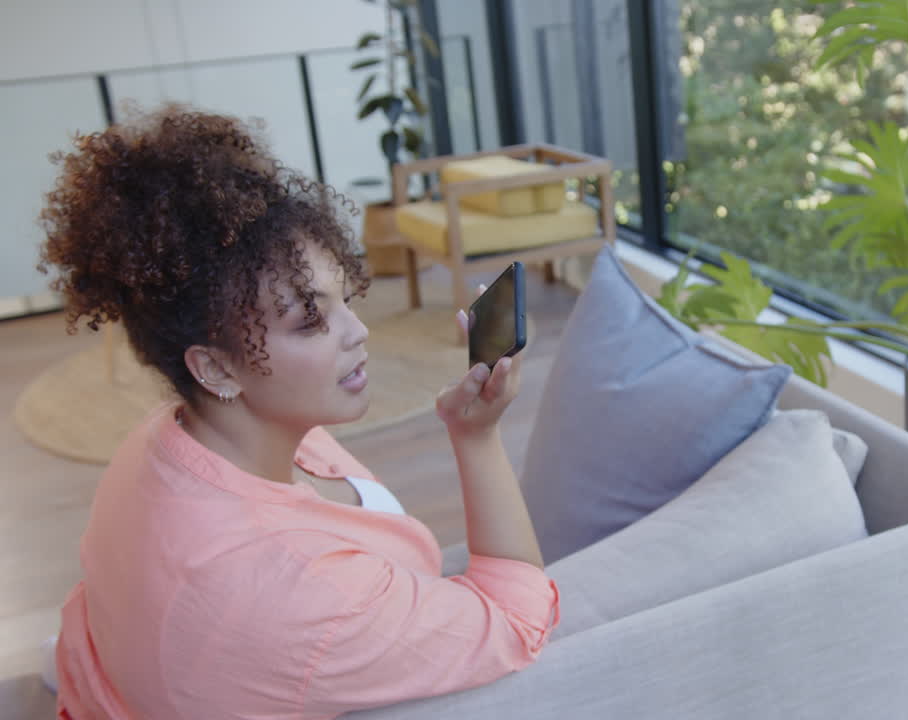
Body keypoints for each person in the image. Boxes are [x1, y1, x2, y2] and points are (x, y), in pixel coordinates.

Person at [36, 105, 559, 719]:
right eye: (310, 320)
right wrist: (478, 440)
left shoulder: (169, 440)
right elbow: (518, 622)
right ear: (216, 368)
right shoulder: (301, 595)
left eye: (344, 298)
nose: (359, 331)